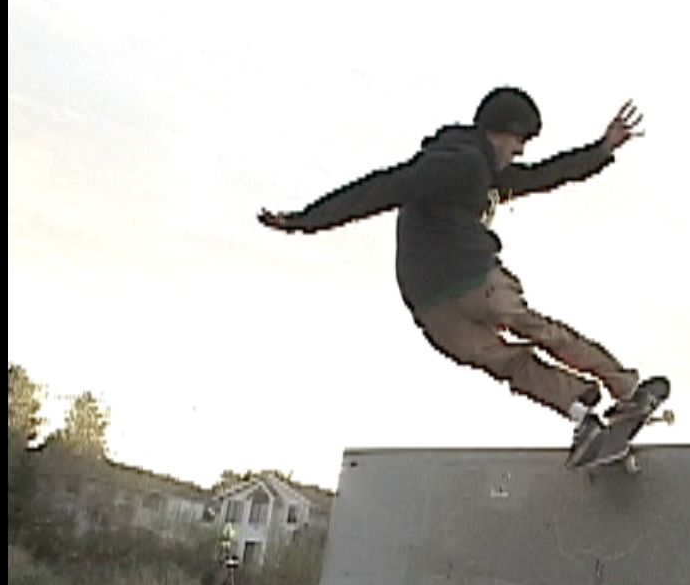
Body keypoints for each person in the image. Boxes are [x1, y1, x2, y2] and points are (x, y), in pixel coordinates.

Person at [258, 87, 650, 456]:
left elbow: (544, 175)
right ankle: (625, 389)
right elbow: (382, 188)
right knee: (537, 329)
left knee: (506, 363)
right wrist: (307, 220)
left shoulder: (481, 170)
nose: (518, 154)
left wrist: (600, 150)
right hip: (472, 280)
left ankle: (581, 414)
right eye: (519, 144)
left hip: (432, 309)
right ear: (503, 132)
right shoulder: (461, 163)